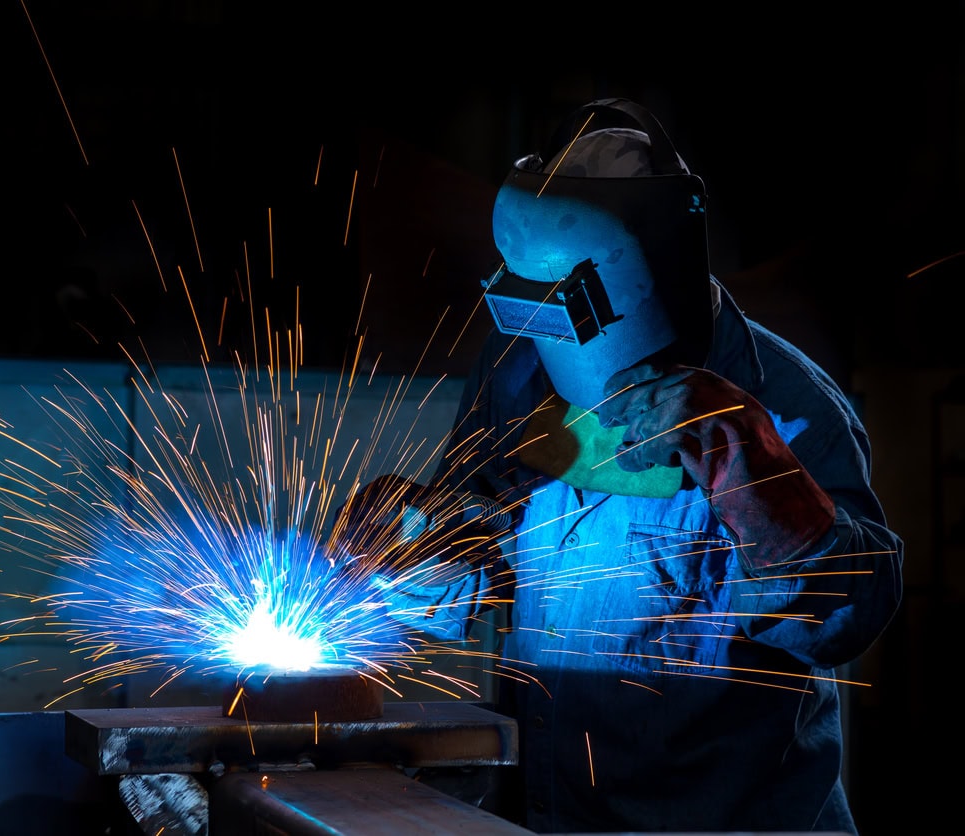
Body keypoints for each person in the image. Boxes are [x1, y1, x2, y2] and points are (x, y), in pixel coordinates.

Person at [333, 97, 904, 833]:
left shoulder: (787, 402)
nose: (553, 336)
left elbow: (844, 622)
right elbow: (482, 568)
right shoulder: (518, 371)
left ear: (645, 272)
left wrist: (754, 472)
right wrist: (414, 552)